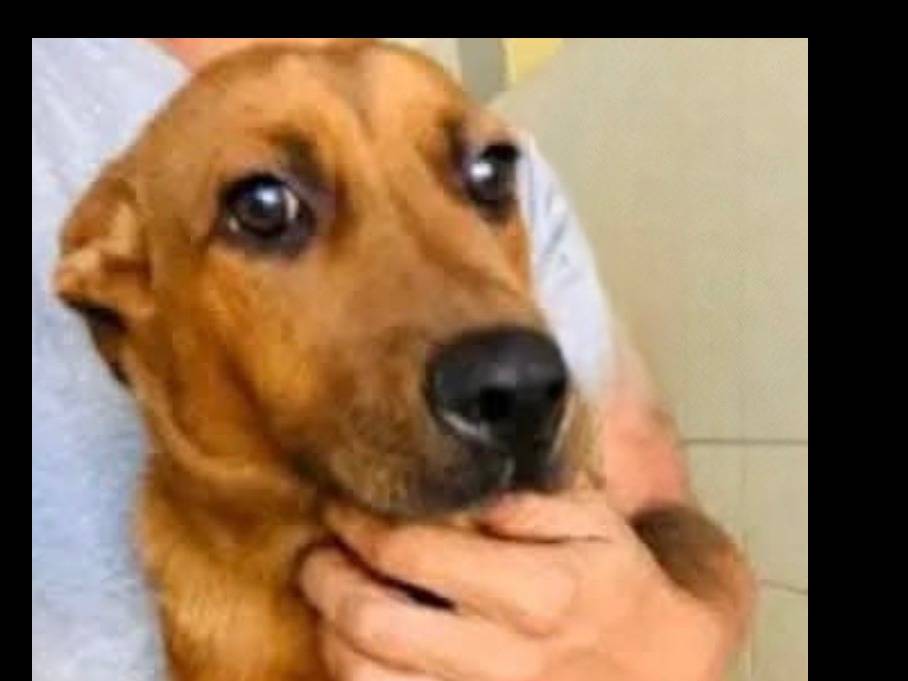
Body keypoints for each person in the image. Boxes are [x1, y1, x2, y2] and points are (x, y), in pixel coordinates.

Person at [32, 38, 752, 681]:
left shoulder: (495, 148)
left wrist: (681, 641)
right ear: (122, 285)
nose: (512, 362)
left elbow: (653, 495)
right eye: (267, 209)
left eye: (485, 179)